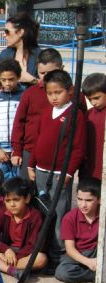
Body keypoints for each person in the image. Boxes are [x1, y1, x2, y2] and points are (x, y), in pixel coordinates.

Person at [28, 69, 86, 265]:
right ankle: (43, 250)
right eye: (49, 93)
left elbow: (78, 148)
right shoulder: (46, 113)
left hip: (61, 174)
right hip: (41, 171)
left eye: (58, 92)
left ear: (69, 91)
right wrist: (31, 164)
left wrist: (69, 172)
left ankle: (59, 255)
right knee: (43, 212)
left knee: (60, 213)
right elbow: (38, 140)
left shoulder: (75, 114)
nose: (53, 97)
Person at [10, 49, 65, 179]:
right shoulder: (30, 94)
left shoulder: (72, 95)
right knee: (26, 194)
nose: (46, 77)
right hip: (29, 151)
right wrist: (17, 150)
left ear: (62, 68)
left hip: (60, 154)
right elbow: (19, 122)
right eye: (42, 73)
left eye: (51, 72)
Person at [0, 177, 47, 279]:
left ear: (27, 198)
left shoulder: (35, 216)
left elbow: (34, 245)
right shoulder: (1, 212)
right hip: (6, 251)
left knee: (41, 259)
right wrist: (6, 250)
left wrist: (15, 257)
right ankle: (12, 270)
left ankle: (4, 267)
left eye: (16, 200)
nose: (12, 204)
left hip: (24, 253)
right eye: (8, 201)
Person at [55, 178, 100, 283]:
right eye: (79, 199)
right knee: (62, 272)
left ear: (99, 199)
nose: (83, 205)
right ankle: (94, 275)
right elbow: (70, 249)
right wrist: (89, 262)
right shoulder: (69, 218)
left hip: (97, 252)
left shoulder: (102, 213)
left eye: (89, 200)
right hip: (78, 254)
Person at [0, 59, 25, 180]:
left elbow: (27, 126)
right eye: (4, 80)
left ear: (18, 77)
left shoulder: (25, 97)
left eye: (11, 79)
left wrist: (18, 149)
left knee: (18, 186)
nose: (7, 83)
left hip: (19, 152)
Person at [0, 13, 41, 86]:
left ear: (20, 32)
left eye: (7, 32)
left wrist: (33, 80)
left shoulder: (40, 56)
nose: (4, 35)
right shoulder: (4, 55)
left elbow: (52, 84)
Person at [79, 73, 106, 182]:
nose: (93, 102)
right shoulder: (89, 114)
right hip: (89, 169)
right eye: (89, 99)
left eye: (96, 98)